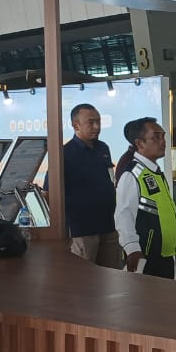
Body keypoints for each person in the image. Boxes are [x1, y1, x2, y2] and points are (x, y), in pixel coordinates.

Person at [114, 117, 176, 279]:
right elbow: (124, 214)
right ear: (139, 143)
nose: (162, 141)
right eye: (156, 137)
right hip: (144, 255)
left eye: (163, 136)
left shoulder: (154, 171)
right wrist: (132, 248)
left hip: (164, 254)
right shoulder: (132, 174)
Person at [62, 103, 122, 268]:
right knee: (83, 277)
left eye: (98, 121)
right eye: (91, 122)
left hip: (108, 225)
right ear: (76, 126)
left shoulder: (103, 148)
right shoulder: (65, 153)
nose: (96, 127)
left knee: (112, 275)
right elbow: (49, 191)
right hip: (82, 230)